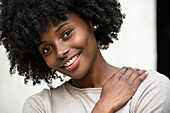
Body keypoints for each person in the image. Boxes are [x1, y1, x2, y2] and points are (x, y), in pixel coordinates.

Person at [0, 0, 170, 113]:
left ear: (91, 21)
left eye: (66, 33)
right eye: (46, 49)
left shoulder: (148, 88)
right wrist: (103, 107)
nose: (60, 52)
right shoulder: (40, 106)